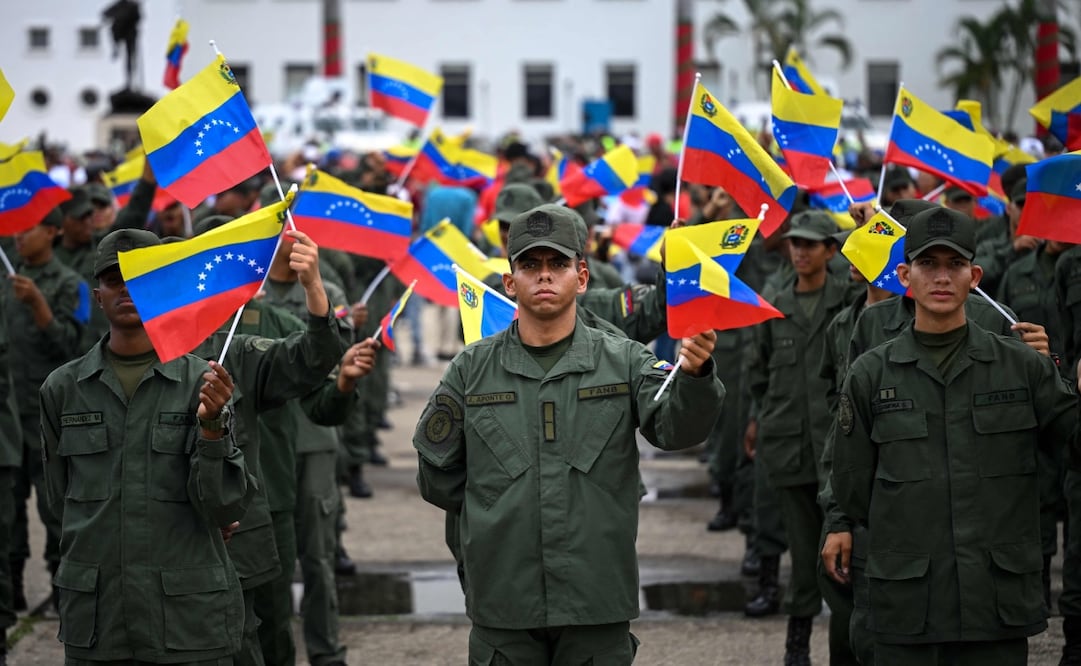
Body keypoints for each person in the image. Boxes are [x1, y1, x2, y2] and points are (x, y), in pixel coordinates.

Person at [413, 204, 724, 664]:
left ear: (581, 277)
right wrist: (497, 519)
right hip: (505, 600)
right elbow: (436, 475)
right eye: (530, 265)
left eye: (557, 264)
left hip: (594, 595)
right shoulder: (472, 368)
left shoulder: (624, 359)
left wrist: (696, 376)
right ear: (509, 281)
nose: (544, 276)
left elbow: (674, 428)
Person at [832, 207, 1077, 665]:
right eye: (928, 265)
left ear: (974, 275)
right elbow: (851, 487)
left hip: (994, 605)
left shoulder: (1022, 367)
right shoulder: (871, 374)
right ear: (905, 275)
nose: (941, 277)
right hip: (909, 607)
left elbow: (1073, 447)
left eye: (954, 265)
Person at [40, 228, 256, 663]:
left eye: (143, 275)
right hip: (101, 621)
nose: (128, 288)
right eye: (115, 279)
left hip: (185, 622)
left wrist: (212, 428)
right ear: (98, 295)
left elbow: (226, 507)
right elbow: (59, 504)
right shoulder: (63, 388)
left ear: (167, 288)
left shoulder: (203, 383)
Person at [744, 210, 848, 663]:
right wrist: (755, 420)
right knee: (804, 555)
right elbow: (758, 374)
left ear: (830, 249)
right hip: (788, 447)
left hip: (838, 451)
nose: (801, 251)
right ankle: (797, 645)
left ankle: (847, 649)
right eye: (795, 243)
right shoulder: (774, 303)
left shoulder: (848, 304)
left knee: (846, 557)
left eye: (811, 244)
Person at [5, 206, 88, 614]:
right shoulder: (6, 281)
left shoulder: (72, 285)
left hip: (48, 416)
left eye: (29, 227)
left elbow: (76, 348)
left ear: (52, 231)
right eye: (15, 229)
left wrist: (40, 307)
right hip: (8, 417)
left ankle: (62, 590)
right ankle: (11, 589)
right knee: (7, 511)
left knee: (56, 507)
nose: (19, 235)